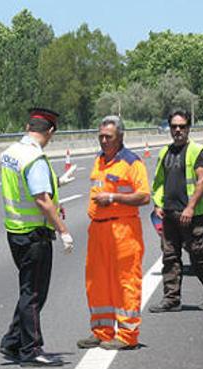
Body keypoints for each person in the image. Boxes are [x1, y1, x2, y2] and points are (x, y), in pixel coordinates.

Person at [0, 107, 75, 367]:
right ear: (50, 131)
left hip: (15, 230)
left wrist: (58, 183)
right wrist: (63, 230)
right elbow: (41, 200)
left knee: (27, 291)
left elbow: (25, 186)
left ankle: (12, 341)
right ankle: (30, 350)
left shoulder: (11, 153)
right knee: (34, 294)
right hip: (34, 235)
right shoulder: (35, 158)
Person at [76, 116, 151, 351]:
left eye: (108, 137)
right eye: (101, 137)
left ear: (120, 137)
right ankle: (102, 331)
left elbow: (144, 196)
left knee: (125, 282)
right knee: (97, 282)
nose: (104, 141)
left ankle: (128, 335)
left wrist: (113, 198)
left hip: (123, 230)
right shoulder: (99, 161)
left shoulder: (131, 162)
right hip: (98, 229)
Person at [149, 109, 203, 313]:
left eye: (182, 126)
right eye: (174, 127)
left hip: (191, 214)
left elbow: (202, 180)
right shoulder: (165, 152)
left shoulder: (196, 150)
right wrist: (158, 204)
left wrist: (190, 208)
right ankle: (171, 299)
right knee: (170, 257)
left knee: (198, 256)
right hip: (169, 213)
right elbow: (159, 182)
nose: (178, 130)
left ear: (188, 128)